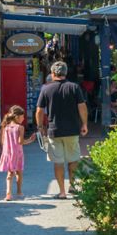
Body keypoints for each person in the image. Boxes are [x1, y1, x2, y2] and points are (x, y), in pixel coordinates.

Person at [34, 61, 88, 199]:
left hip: (54, 130)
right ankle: (73, 186)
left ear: (52, 74)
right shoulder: (74, 87)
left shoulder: (46, 89)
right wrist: (84, 124)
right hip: (72, 129)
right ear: (65, 73)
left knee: (58, 161)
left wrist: (40, 127)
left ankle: (62, 192)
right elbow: (82, 107)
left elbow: (39, 111)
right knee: (73, 159)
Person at [0, 105, 34, 201]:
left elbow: (2, 141)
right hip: (17, 153)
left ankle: (8, 194)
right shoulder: (20, 128)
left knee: (9, 174)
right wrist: (30, 140)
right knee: (19, 172)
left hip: (8, 153)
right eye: (22, 117)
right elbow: (20, 142)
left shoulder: (5, 126)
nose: (24, 118)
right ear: (17, 117)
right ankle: (19, 191)